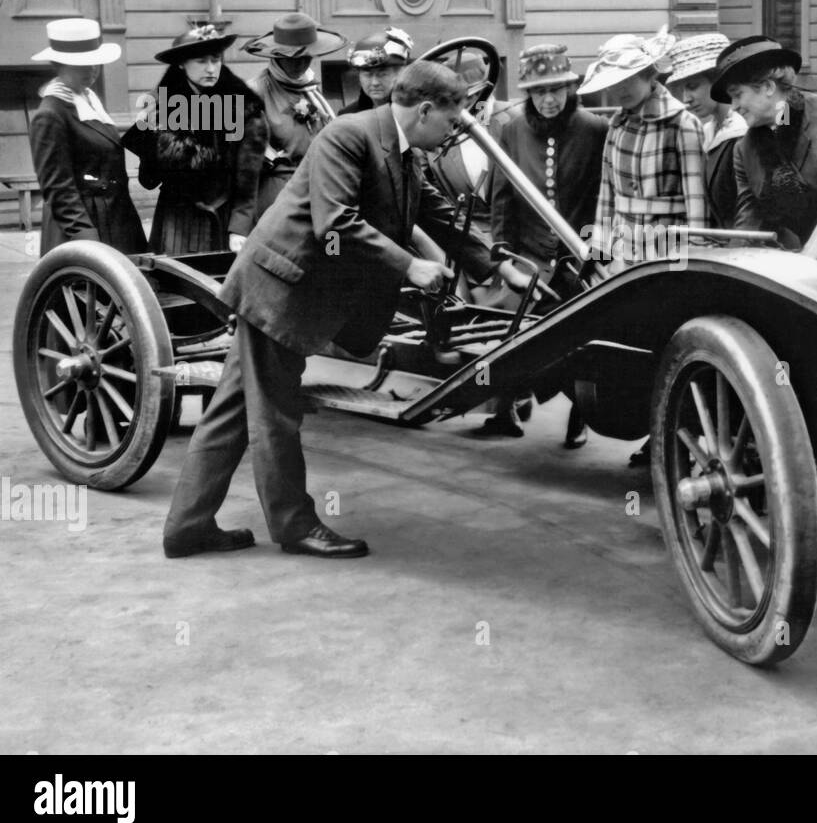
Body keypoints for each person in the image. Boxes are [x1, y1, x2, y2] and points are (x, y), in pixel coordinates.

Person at [161, 60, 537, 560]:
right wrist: (410, 266)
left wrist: (499, 266)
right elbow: (335, 224)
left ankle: (187, 528)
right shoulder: (349, 135)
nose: (453, 133)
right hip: (282, 289)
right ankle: (294, 527)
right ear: (425, 110)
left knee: (232, 411)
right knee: (274, 415)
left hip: (294, 290)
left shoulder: (403, 150)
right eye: (451, 121)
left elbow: (438, 216)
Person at [484, 43, 607, 445]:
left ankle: (580, 414)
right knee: (512, 334)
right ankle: (505, 407)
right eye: (539, 92)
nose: (548, 100)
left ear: (570, 89)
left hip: (580, 260)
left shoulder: (595, 129)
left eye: (555, 90)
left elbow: (605, 197)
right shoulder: (512, 130)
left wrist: (600, 253)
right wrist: (504, 257)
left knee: (579, 340)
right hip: (530, 258)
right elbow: (502, 199)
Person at [715, 35, 817, 248]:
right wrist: (736, 258)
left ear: (767, 87)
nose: (733, 106)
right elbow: (749, 222)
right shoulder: (744, 150)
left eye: (738, 95)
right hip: (808, 262)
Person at [122, 23, 267, 255]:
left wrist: (239, 229)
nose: (210, 69)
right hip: (177, 218)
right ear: (181, 64)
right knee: (172, 276)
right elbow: (148, 180)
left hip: (223, 219)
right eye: (201, 61)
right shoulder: (162, 108)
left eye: (216, 60)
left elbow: (249, 177)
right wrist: (150, 135)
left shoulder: (243, 108)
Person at [581, 30, 707, 272]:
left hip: (669, 249)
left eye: (628, 79)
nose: (621, 90)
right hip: (624, 249)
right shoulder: (617, 125)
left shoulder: (681, 123)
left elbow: (697, 200)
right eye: (614, 83)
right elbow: (607, 194)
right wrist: (600, 248)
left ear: (649, 74)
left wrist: (696, 255)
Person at [28, 18, 148, 255]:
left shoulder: (89, 101)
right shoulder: (51, 114)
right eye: (82, 64)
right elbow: (58, 189)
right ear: (59, 65)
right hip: (82, 226)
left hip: (116, 220)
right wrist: (88, 242)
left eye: (96, 62)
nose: (92, 70)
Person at [423, 52, 519, 304]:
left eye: (471, 97)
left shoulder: (517, 120)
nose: (464, 106)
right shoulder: (434, 133)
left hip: (523, 247)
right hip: (468, 250)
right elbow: (433, 204)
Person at [241, 12, 347, 220]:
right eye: (293, 59)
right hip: (277, 197)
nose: (301, 65)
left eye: (307, 58)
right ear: (277, 57)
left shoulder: (309, 89)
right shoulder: (255, 92)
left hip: (318, 189)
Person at [665, 32, 746, 228]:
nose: (686, 99)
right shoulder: (709, 132)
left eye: (693, 87)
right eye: (683, 90)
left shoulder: (742, 132)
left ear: (719, 81)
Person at [338, 27, 414, 116]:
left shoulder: (414, 113)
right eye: (368, 75)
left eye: (382, 74)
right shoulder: (348, 115)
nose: (375, 83)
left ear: (400, 74)